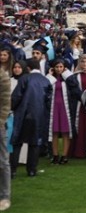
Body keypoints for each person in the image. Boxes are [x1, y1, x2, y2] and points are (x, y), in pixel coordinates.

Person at [10, 59, 52, 177]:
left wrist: (12, 107)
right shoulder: (46, 80)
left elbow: (16, 96)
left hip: (23, 114)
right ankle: (32, 170)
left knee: (17, 142)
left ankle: (12, 170)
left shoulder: (24, 79)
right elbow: (49, 101)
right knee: (35, 143)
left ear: (27, 68)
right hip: (39, 116)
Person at [66, 54, 86, 158]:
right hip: (79, 105)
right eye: (82, 61)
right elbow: (74, 90)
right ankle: (79, 151)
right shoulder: (74, 76)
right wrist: (83, 98)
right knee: (79, 126)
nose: (84, 64)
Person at [45, 58, 74, 164]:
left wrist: (66, 74)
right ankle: (56, 155)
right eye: (57, 67)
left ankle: (65, 156)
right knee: (55, 132)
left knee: (66, 132)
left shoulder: (68, 78)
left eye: (61, 67)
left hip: (65, 107)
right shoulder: (50, 78)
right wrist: (49, 75)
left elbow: (74, 85)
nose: (58, 69)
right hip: (53, 107)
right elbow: (45, 87)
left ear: (64, 67)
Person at [0, 69, 11, 211]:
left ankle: (5, 196)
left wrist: (1, 120)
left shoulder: (2, 75)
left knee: (2, 161)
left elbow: (6, 101)